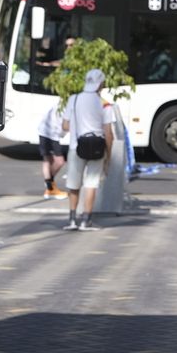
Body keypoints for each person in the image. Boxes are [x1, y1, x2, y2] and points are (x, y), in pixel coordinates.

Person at [61, 68, 115, 231]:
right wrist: (108, 156)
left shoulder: (74, 99)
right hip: (97, 148)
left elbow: (64, 125)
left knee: (73, 184)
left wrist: (79, 126)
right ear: (101, 84)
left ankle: (72, 220)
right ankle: (86, 220)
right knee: (91, 184)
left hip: (76, 147)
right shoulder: (105, 104)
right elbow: (108, 133)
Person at [37, 99, 67, 200]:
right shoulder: (67, 105)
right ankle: (49, 185)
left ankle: (49, 187)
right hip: (51, 133)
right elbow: (65, 126)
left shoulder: (63, 102)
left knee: (47, 160)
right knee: (59, 161)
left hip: (44, 131)